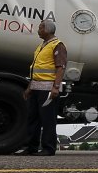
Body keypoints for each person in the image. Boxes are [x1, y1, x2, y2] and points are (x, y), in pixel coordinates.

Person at [18, 20, 66, 156]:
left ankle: (48, 148)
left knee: (48, 120)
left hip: (48, 88)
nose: (38, 30)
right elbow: (35, 70)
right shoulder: (41, 46)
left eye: (40, 28)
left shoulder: (58, 45)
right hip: (36, 87)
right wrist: (29, 87)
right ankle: (31, 147)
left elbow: (60, 67)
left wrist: (56, 87)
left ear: (48, 30)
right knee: (32, 118)